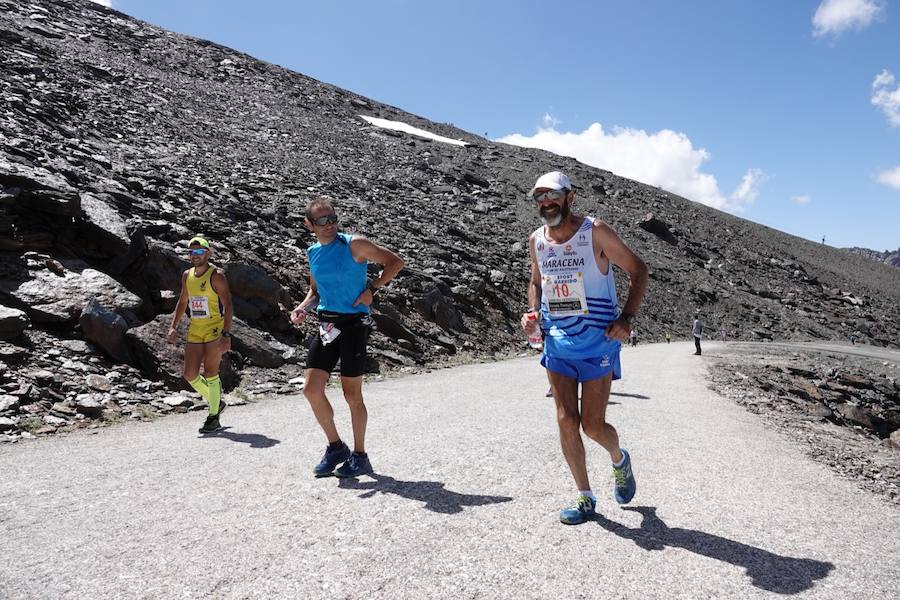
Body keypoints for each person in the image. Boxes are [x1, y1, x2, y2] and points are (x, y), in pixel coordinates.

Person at [520, 171, 648, 525]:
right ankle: (585, 496)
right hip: (557, 341)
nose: (545, 203)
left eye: (552, 196)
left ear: (569, 198)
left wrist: (627, 318)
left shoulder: (596, 232)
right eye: (539, 198)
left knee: (592, 426)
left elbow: (639, 270)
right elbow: (536, 281)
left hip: (598, 343)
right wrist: (533, 313)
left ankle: (619, 458)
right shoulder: (537, 240)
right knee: (565, 420)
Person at [291, 197, 405, 478]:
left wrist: (373, 289)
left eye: (332, 218)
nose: (329, 224)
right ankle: (335, 447)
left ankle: (360, 455)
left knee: (351, 394)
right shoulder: (313, 252)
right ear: (309, 225)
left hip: (354, 324)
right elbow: (315, 290)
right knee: (311, 389)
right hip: (327, 325)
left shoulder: (354, 244)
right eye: (321, 220)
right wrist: (303, 306)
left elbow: (395, 262)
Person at [167, 237, 233, 434]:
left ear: (208, 253)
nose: (195, 256)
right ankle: (216, 402)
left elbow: (228, 305)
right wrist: (173, 325)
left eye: (199, 252)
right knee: (190, 374)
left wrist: (226, 334)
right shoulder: (187, 275)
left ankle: (213, 417)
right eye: (191, 253)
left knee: (211, 372)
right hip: (196, 328)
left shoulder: (217, 276)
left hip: (215, 328)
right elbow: (183, 300)